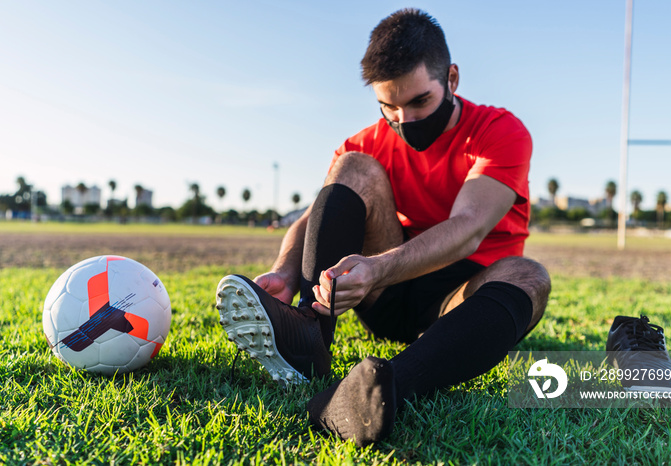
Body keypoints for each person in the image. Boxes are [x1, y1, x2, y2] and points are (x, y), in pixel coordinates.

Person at [216, 8, 551, 446]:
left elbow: (468, 227)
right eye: (388, 106)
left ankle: (379, 391)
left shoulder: (498, 131)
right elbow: (312, 216)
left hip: (460, 299)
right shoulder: (370, 140)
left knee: (530, 276)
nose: (404, 120)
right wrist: (283, 270)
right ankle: (309, 334)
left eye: (419, 102)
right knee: (352, 167)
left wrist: (376, 268)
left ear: (451, 79)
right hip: (386, 293)